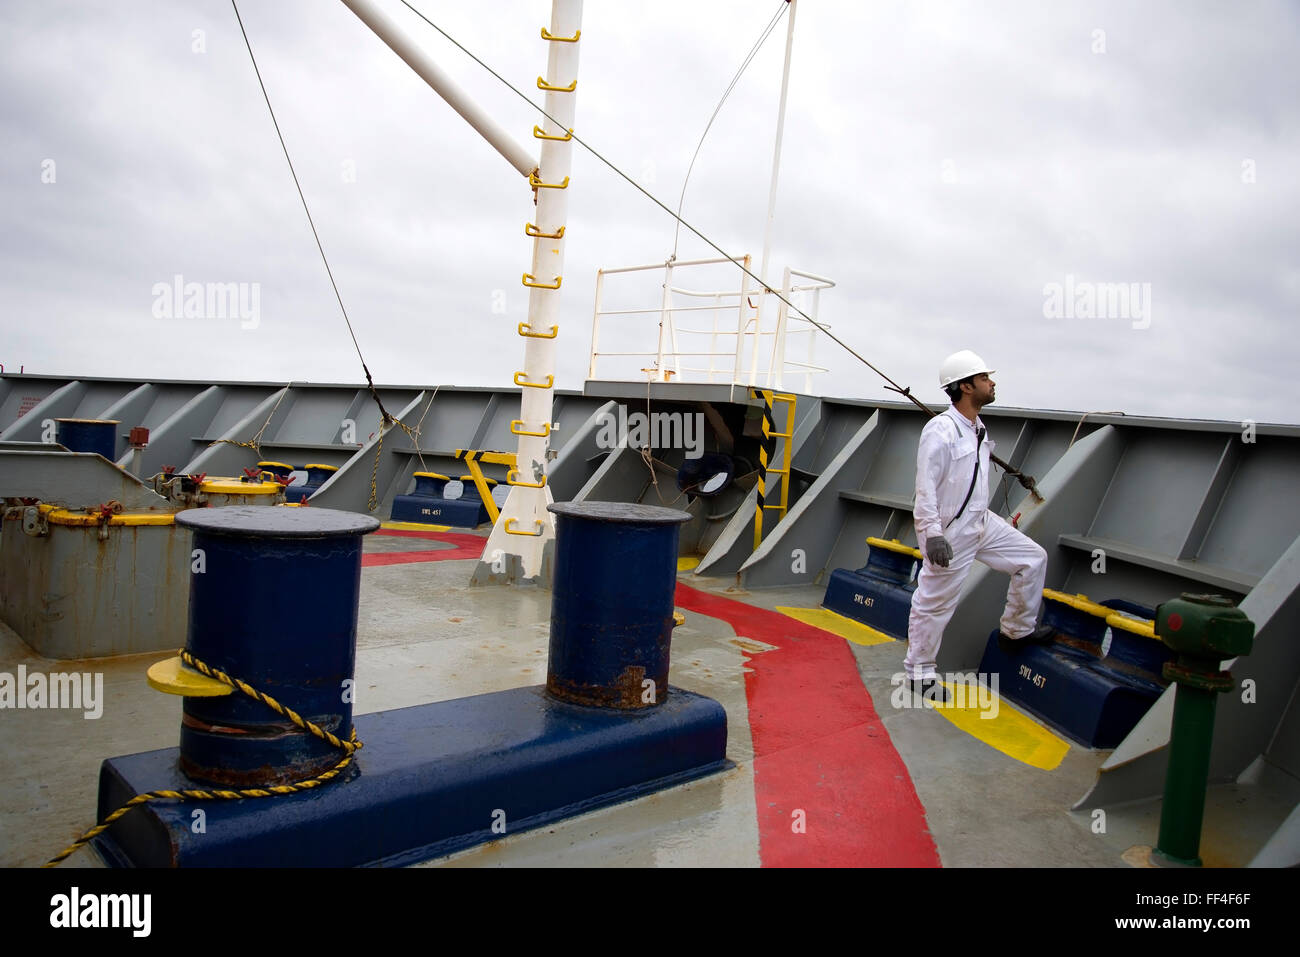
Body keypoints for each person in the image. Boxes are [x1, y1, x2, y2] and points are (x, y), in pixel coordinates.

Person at [905, 350, 1051, 703]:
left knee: (1032, 558)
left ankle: (1015, 632)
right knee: (934, 602)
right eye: (985, 378)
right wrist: (933, 535)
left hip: (981, 521)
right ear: (967, 386)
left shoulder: (977, 428)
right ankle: (918, 672)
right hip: (951, 531)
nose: (992, 382)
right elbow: (925, 487)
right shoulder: (940, 430)